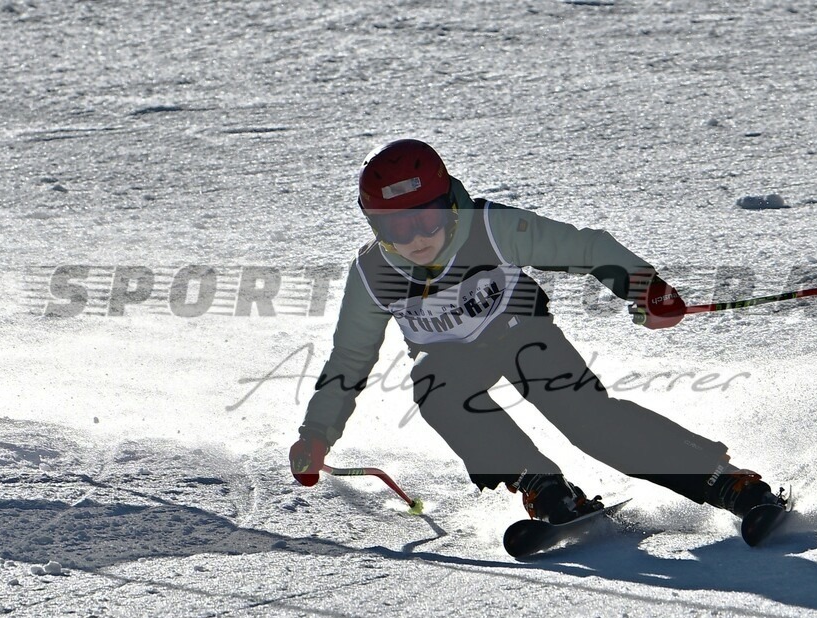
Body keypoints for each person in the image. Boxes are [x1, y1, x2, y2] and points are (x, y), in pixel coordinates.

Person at [289, 139, 782, 527]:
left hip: (523, 335)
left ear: (450, 203)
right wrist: (316, 434)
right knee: (434, 387)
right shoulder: (372, 274)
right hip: (450, 362)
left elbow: (586, 249)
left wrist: (646, 289)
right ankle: (542, 485)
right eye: (396, 228)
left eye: (427, 218)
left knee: (590, 424)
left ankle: (728, 484)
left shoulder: (490, 227)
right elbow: (349, 361)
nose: (416, 238)